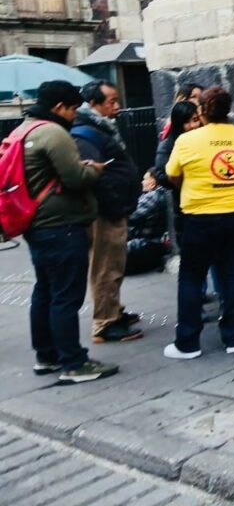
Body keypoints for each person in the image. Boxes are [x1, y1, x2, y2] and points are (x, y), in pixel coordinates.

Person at [14, 81, 117, 384]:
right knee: (65, 297)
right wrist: (94, 169)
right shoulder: (53, 132)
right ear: (59, 107)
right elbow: (74, 178)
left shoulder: (24, 130)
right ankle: (73, 363)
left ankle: (46, 356)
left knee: (45, 291)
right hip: (61, 226)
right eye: (72, 109)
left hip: (37, 225)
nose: (74, 115)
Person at [162, 86, 234, 359]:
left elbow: (172, 174)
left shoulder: (187, 140)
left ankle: (188, 343)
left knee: (192, 277)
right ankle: (233, 338)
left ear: (202, 111)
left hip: (201, 216)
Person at [72, 80, 143, 344]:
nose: (117, 106)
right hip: (105, 211)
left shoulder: (97, 128)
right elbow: (95, 176)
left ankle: (114, 311)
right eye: (111, 101)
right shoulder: (85, 133)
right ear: (93, 104)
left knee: (113, 263)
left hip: (112, 208)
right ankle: (104, 323)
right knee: (105, 265)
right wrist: (114, 204)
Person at [153, 100, 202, 235]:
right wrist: (182, 181)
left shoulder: (206, 139)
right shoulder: (169, 144)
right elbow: (160, 173)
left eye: (195, 120)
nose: (192, 126)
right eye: (186, 122)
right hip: (185, 207)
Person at [126, 168, 171, 275]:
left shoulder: (153, 196)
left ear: (153, 182)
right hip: (154, 243)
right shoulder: (161, 194)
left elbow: (132, 216)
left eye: (145, 179)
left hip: (148, 243)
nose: (142, 182)